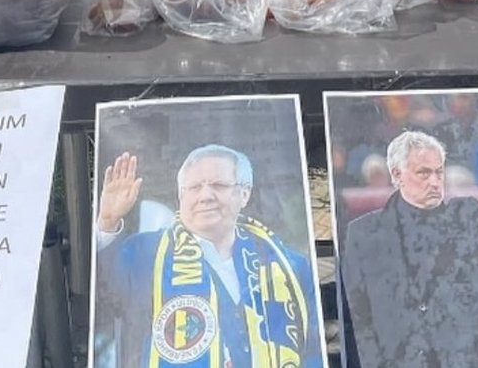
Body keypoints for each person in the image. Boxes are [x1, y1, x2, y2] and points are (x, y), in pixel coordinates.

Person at [94, 145, 324, 368]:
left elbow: (313, 350)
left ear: (244, 194)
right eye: (194, 187)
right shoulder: (144, 253)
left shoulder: (289, 267)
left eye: (219, 185)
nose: (206, 196)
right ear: (181, 196)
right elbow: (105, 295)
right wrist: (108, 221)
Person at [340, 129, 478, 368]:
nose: (435, 182)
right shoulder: (364, 234)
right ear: (397, 174)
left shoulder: (467, 217)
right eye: (424, 173)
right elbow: (358, 315)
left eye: (438, 172)